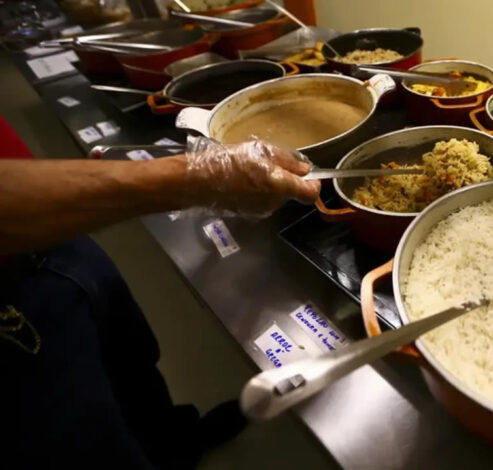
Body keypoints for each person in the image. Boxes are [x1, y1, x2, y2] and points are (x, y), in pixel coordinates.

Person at [0, 115, 320, 469]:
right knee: (79, 440)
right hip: (12, 315)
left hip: (56, 233)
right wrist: (195, 176)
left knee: (132, 368)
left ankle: (173, 445)